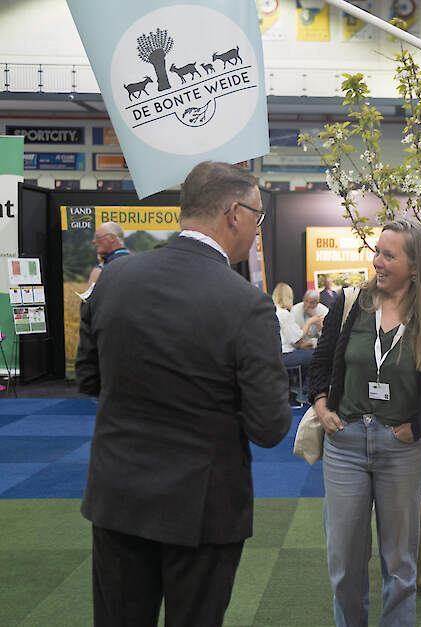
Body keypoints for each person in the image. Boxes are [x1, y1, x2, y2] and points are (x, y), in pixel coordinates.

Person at [75, 161, 292, 627]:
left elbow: (88, 380)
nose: (257, 229)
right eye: (259, 215)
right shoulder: (247, 303)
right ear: (234, 213)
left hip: (118, 497)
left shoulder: (112, 280)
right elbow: (270, 425)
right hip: (203, 509)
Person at [307, 218, 421, 627]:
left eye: (388, 255)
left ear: (416, 266)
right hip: (345, 445)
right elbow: (320, 366)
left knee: (400, 564)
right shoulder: (349, 304)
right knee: (344, 564)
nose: (377, 261)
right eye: (377, 251)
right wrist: (323, 408)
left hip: (402, 450)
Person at [87, 222, 130, 286]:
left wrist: (97, 270)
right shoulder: (137, 263)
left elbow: (92, 295)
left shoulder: (101, 270)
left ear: (112, 238)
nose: (94, 241)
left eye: (98, 237)